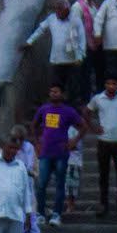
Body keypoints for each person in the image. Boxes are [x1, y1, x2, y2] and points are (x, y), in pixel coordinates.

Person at [31, 84, 85, 225]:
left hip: (61, 152)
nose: (53, 93)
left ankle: (56, 214)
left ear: (62, 94)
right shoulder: (44, 109)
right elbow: (34, 125)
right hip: (45, 152)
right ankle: (40, 213)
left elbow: (83, 127)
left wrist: (74, 141)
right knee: (41, 184)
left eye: (56, 91)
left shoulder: (68, 111)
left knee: (60, 184)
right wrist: (37, 142)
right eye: (51, 91)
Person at [24, 0, 88, 92]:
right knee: (56, 85)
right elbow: (40, 30)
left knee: (73, 85)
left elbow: (82, 38)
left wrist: (81, 55)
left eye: (61, 10)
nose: (58, 12)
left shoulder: (75, 20)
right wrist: (29, 41)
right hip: (56, 59)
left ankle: (71, 104)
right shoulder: (51, 18)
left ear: (67, 11)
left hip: (73, 59)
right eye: (57, 10)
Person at [87, 75, 117, 216]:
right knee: (103, 174)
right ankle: (103, 203)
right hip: (103, 141)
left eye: (114, 83)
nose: (111, 86)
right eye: (109, 83)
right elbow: (87, 112)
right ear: (105, 84)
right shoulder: (98, 98)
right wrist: (94, 127)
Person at [73, 0, 104, 99]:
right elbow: (75, 28)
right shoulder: (77, 7)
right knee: (85, 74)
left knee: (99, 71)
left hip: (95, 44)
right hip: (85, 45)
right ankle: (85, 99)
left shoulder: (93, 5)